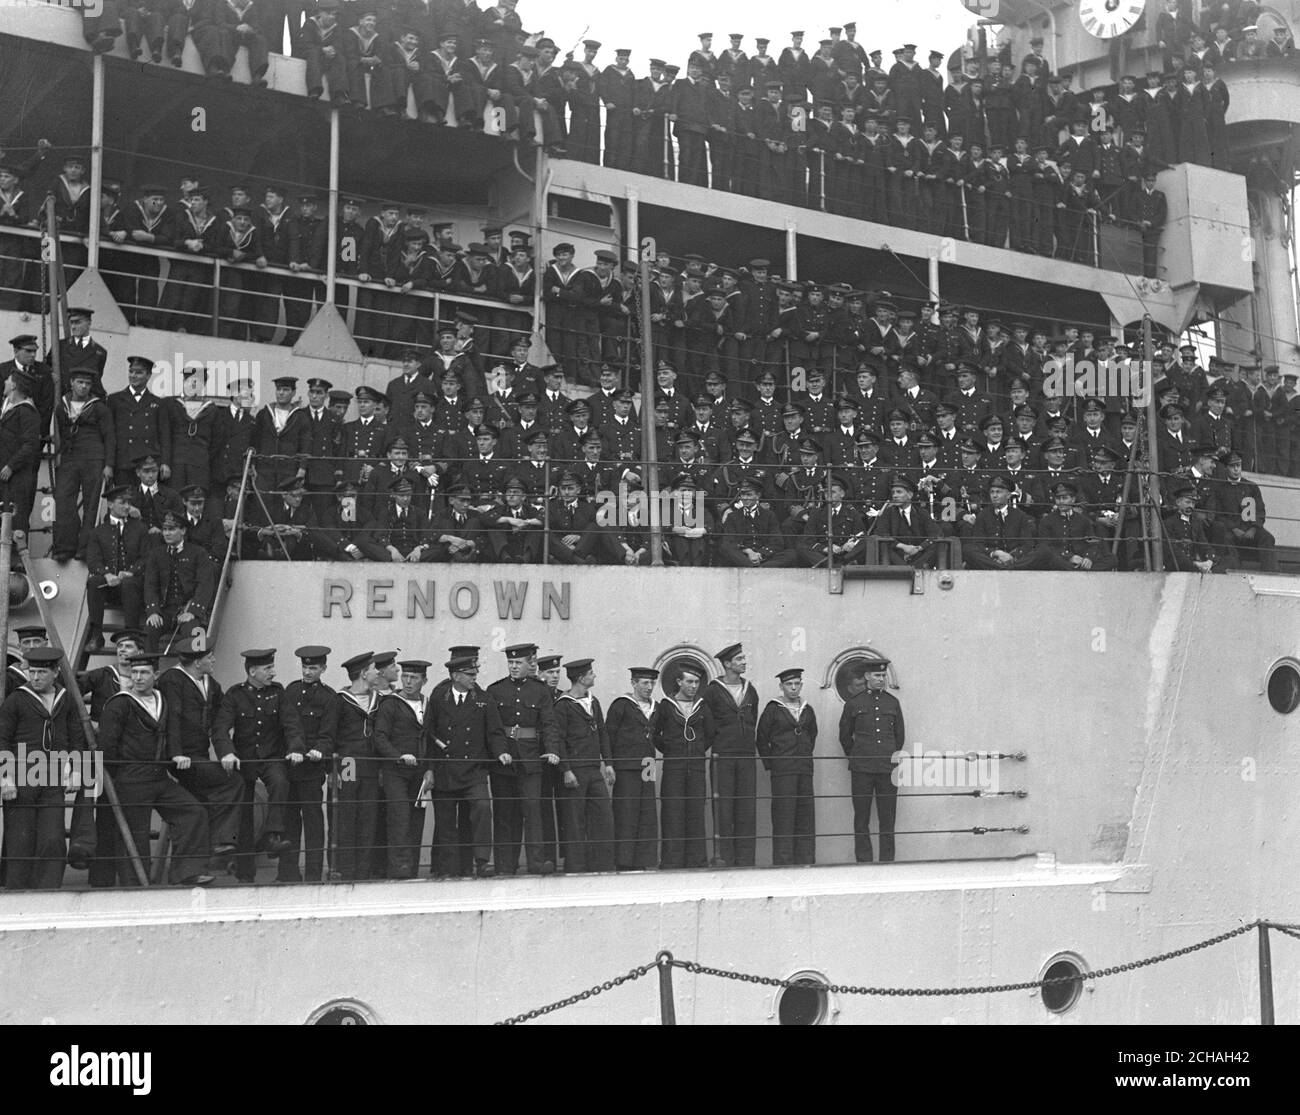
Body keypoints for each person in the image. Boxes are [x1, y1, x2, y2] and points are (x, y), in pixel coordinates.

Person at [98, 651, 215, 886]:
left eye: (144, 672)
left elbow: (172, 733)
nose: (138, 677)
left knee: (193, 812)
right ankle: (135, 887)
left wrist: (176, 755)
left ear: (156, 674)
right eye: (134, 673)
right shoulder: (119, 704)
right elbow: (106, 748)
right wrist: (120, 776)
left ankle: (186, 872)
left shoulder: (162, 700)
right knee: (135, 835)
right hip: (130, 780)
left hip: (160, 777)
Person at [0, 648, 86, 889]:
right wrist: (5, 777)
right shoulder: (16, 699)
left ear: (55, 672)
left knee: (53, 839)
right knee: (20, 841)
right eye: (32, 671)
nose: (35, 677)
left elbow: (76, 737)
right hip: (21, 778)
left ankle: (49, 892)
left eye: (41, 672)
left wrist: (77, 770)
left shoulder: (66, 698)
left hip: (54, 779)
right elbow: (2, 740)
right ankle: (17, 895)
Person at [211, 648, 298, 882]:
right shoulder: (235, 695)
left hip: (271, 756)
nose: (274, 672)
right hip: (244, 759)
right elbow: (220, 728)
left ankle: (273, 837)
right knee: (245, 815)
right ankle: (245, 873)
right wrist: (227, 753)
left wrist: (295, 749)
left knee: (280, 782)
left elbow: (291, 724)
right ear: (252, 671)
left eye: (272, 667)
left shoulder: (278, 693)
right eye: (268, 668)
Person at [156, 637, 242, 868]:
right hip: (181, 757)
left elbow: (219, 723)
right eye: (208, 656)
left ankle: (197, 865)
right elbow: (171, 718)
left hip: (199, 756)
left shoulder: (210, 684)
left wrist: (225, 752)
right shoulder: (172, 680)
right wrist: (175, 754)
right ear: (196, 662)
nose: (213, 659)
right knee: (232, 782)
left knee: (196, 811)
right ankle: (221, 842)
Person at [426, 652, 508, 879]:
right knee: (445, 821)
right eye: (470, 674)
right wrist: (430, 768)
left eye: (475, 673)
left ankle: (482, 861)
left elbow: (495, 731)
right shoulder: (439, 697)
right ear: (455, 676)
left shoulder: (483, 699)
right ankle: (448, 868)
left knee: (482, 808)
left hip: (474, 769)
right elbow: (429, 734)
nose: (475, 678)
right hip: (445, 770)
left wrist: (501, 752)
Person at [484, 643, 560, 875]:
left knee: (533, 811)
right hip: (505, 760)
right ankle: (505, 864)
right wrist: (499, 751)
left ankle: (537, 863)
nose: (514, 667)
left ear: (530, 664)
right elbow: (493, 728)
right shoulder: (495, 690)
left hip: (530, 759)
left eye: (518, 663)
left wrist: (553, 750)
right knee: (505, 812)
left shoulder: (541, 691)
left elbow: (549, 724)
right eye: (511, 663)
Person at [280, 645, 338, 883]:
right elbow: (284, 726)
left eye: (313, 667)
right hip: (290, 768)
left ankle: (314, 873)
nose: (308, 671)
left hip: (312, 770)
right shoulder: (291, 691)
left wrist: (319, 751)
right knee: (289, 822)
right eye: (305, 666)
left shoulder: (329, 697)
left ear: (323, 668)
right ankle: (287, 873)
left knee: (314, 822)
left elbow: (328, 733)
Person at [839, 658, 904, 863]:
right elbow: (844, 736)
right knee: (861, 818)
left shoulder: (892, 703)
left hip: (887, 769)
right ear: (867, 677)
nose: (881, 679)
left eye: (883, 676)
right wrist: (857, 756)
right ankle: (864, 861)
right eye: (877, 675)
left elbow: (899, 736)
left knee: (888, 818)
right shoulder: (854, 704)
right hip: (862, 769)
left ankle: (887, 861)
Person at [554, 658, 614, 873]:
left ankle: (602, 863)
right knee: (574, 819)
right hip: (575, 770)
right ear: (580, 678)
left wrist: (608, 763)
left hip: (593, 768)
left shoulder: (593, 702)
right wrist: (566, 770)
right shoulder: (563, 705)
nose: (594, 676)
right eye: (591, 673)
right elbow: (558, 739)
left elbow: (603, 733)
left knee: (602, 816)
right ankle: (576, 866)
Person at [374, 658, 432, 878]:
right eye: (405, 677)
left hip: (419, 772)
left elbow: (430, 737)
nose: (408, 682)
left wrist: (429, 769)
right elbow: (380, 738)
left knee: (417, 818)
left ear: (423, 680)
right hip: (395, 772)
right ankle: (399, 869)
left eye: (414, 678)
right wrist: (398, 756)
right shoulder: (391, 703)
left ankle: (413, 869)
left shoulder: (428, 704)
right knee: (399, 817)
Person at [653, 662, 715, 869]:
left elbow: (710, 734)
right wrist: (673, 749)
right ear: (679, 682)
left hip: (696, 768)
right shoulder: (666, 706)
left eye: (697, 682)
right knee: (673, 813)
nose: (693, 686)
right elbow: (655, 735)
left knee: (695, 813)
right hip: (674, 769)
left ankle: (696, 861)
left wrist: (695, 750)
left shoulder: (703, 707)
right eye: (689, 681)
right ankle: (672, 861)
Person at [703, 642, 758, 868]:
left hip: (746, 756)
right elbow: (707, 723)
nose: (744, 662)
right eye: (739, 659)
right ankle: (724, 857)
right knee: (723, 808)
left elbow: (753, 716)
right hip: (722, 757)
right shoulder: (713, 690)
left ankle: (746, 860)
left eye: (744, 658)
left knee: (746, 808)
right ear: (727, 664)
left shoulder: (750, 690)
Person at [756, 667, 817, 866]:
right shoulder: (773, 709)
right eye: (789, 684)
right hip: (783, 771)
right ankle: (783, 864)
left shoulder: (807, 709)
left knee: (805, 817)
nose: (793, 688)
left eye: (797, 684)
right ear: (781, 686)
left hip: (804, 770)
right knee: (784, 817)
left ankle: (806, 862)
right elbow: (761, 739)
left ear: (801, 685)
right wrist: (773, 764)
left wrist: (803, 755)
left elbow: (812, 735)